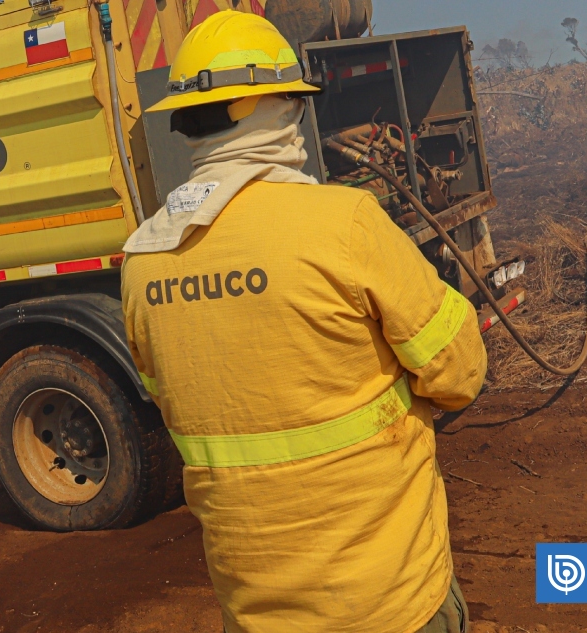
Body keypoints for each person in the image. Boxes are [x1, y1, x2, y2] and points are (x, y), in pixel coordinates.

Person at [119, 10, 487, 633]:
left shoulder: (142, 262)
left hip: (255, 613)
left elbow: (174, 397)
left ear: (187, 122)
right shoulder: (345, 223)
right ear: (265, 109)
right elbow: (459, 375)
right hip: (388, 603)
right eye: (291, 100)